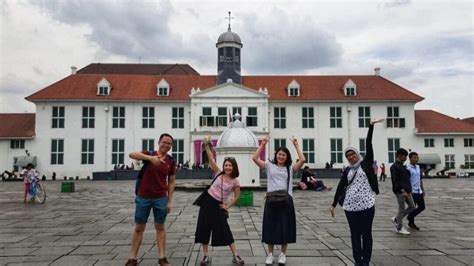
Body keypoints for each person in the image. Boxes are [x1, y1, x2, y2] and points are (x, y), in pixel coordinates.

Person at [329, 119, 382, 266]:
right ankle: (357, 261)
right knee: (354, 235)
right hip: (350, 206)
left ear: (357, 154)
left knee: (366, 234)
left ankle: (366, 261)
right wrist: (333, 204)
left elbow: (369, 144)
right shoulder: (347, 170)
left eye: (352, 154)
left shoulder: (366, 162)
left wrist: (371, 126)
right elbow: (340, 187)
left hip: (367, 205)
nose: (351, 157)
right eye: (348, 156)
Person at [252, 136, 305, 265]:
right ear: (276, 155)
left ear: (287, 157)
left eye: (284, 155)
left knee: (284, 227)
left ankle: (282, 254)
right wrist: (262, 144)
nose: (281, 157)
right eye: (279, 154)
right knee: (270, 227)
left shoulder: (290, 169)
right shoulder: (269, 166)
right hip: (272, 200)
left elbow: (303, 159)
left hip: (286, 201)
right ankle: (270, 254)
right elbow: (254, 158)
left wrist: (296, 145)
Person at [125, 133, 176, 266]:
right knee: (139, 227)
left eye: (169, 143)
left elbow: (171, 182)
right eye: (164, 142)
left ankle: (162, 257)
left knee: (160, 227)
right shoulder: (149, 154)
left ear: (171, 146)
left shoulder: (171, 161)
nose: (166, 145)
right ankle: (133, 258)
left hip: (160, 198)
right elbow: (132, 154)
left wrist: (170, 201)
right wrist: (150, 158)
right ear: (159, 142)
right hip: (144, 197)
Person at [195, 136, 244, 265]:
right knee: (203, 228)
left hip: (218, 205)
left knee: (225, 229)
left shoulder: (235, 181)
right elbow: (211, 158)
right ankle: (205, 256)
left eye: (230, 166)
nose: (227, 167)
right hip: (207, 201)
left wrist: (227, 206)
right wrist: (206, 145)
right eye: (226, 165)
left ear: (234, 167)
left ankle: (236, 255)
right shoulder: (219, 173)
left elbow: (237, 196)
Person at [390, 148, 415, 235]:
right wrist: (402, 190)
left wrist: (409, 190)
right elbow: (395, 180)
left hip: (408, 191)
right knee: (402, 208)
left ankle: (397, 219)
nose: (406, 158)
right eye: (405, 156)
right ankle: (399, 227)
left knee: (412, 206)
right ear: (400, 155)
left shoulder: (403, 166)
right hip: (400, 191)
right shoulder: (394, 167)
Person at [406, 152, 425, 230]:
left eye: (417, 158)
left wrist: (423, 189)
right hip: (412, 191)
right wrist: (409, 191)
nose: (416, 159)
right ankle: (411, 223)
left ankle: (410, 217)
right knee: (413, 208)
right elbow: (406, 181)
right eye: (414, 157)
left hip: (419, 191)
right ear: (410, 158)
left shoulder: (418, 167)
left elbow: (420, 179)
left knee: (422, 207)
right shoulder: (408, 169)